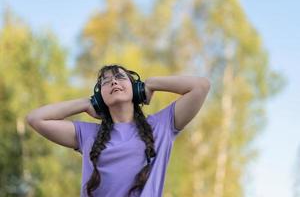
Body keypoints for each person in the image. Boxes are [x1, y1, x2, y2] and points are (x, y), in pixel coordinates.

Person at [26, 64, 211, 197]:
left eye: (120, 77)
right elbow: (36, 119)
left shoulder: (161, 126)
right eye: (105, 81)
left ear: (136, 89)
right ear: (100, 98)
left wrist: (152, 83)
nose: (113, 82)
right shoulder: (89, 135)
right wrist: (85, 104)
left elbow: (201, 86)